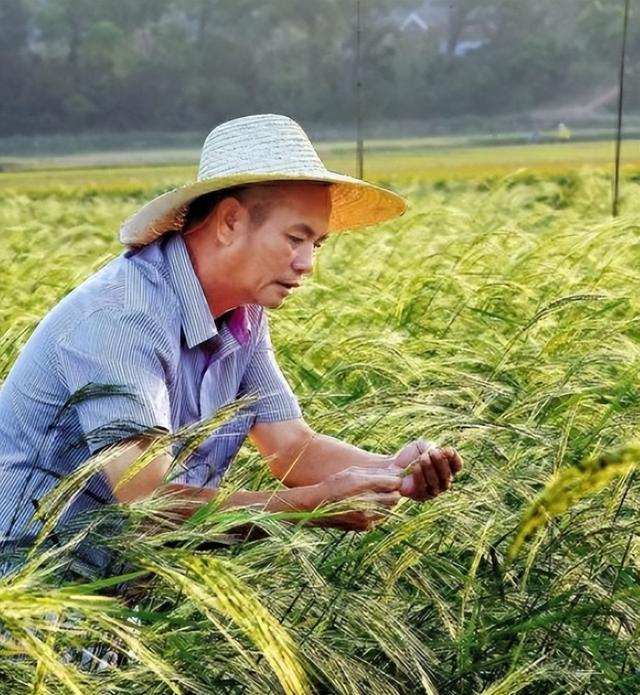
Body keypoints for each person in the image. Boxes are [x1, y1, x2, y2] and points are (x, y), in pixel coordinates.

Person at [0, 114, 462, 575]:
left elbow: (291, 447)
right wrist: (312, 505)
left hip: (112, 600)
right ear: (229, 222)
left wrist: (392, 472)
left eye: (317, 244)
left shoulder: (243, 313)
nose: (307, 265)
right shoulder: (121, 319)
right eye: (295, 238)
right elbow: (149, 505)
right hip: (25, 588)